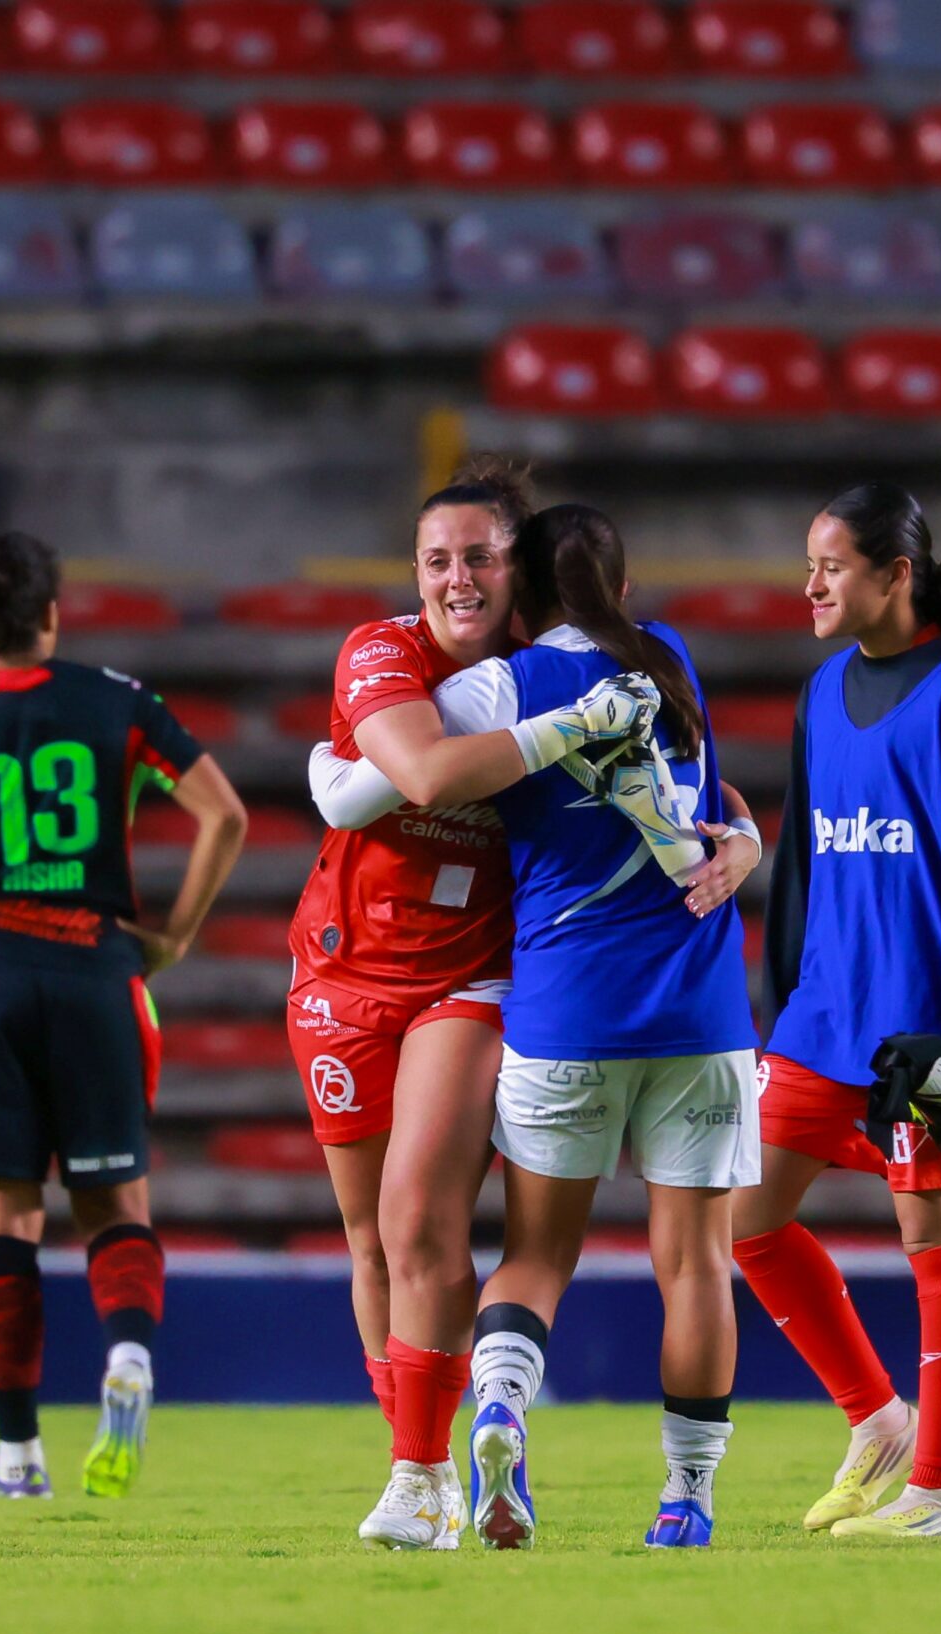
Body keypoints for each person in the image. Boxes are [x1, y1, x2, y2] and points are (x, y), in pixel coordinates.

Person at [313, 503, 761, 1549]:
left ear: (524, 589)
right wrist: (741, 837)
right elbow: (708, 789)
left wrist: (321, 769)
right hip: (701, 1011)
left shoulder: (493, 685)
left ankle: (502, 1409)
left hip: (564, 1012)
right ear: (623, 584)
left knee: (531, 1258)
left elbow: (367, 785)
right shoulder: (672, 660)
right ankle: (686, 1501)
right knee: (694, 1264)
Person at [0, 533, 248, 1500]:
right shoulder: (117, 701)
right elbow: (226, 815)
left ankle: (17, 1457)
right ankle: (127, 1357)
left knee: (4, 1222)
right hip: (96, 968)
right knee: (116, 1203)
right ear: (52, 612)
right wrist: (176, 935)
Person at [736, 482, 941, 1543]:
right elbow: (806, 860)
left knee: (937, 1233)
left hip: (931, 1019)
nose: (810, 583)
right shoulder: (821, 693)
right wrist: (782, 1005)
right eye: (808, 564)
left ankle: (936, 1496)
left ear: (893, 575)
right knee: (746, 1218)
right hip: (823, 1013)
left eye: (830, 565)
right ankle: (878, 1420)